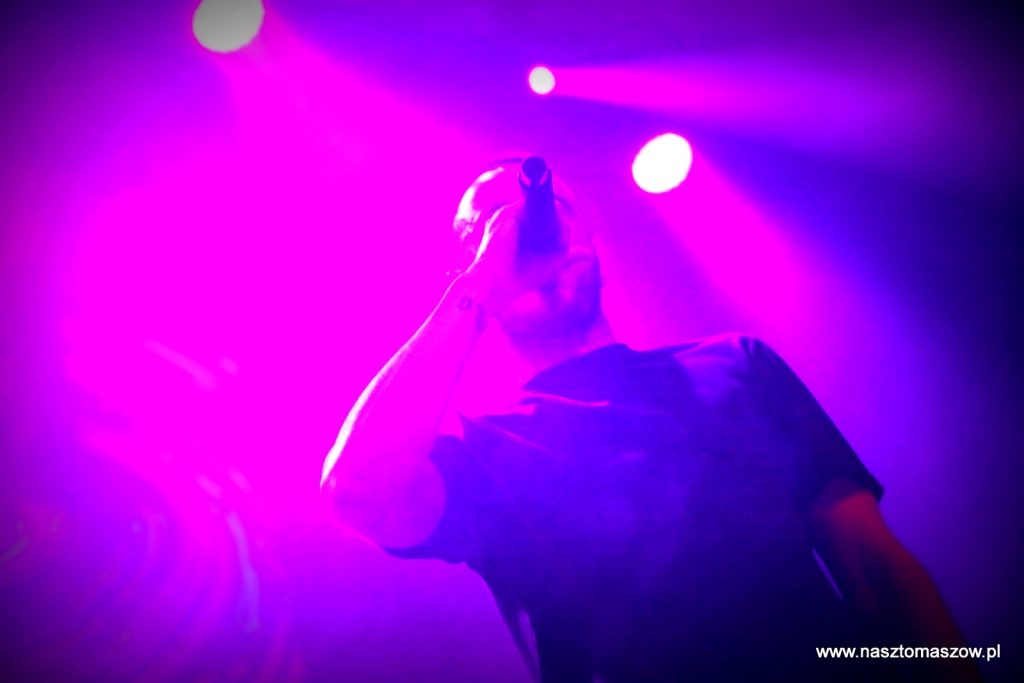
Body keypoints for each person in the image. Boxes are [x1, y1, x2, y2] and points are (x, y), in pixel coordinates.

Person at [321, 157, 980, 682]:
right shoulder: (485, 451)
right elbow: (357, 491)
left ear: (592, 241)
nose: (524, 235)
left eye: (547, 214)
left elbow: (872, 561)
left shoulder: (735, 364)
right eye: (494, 227)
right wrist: (478, 285)